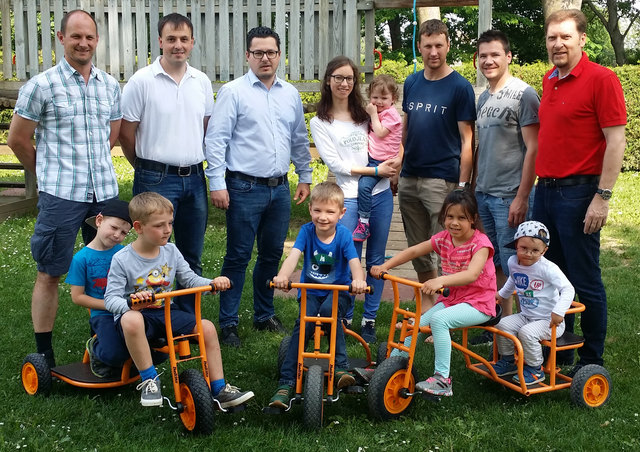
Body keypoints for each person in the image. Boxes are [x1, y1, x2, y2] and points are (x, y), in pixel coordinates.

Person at [7, 10, 122, 368]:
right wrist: (47, 173)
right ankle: (44, 352)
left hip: (103, 192)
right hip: (61, 195)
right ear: (61, 38)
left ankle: (105, 343)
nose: (83, 43)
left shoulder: (110, 85)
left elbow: (113, 134)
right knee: (51, 272)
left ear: (97, 40)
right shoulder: (41, 86)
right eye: (76, 37)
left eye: (89, 37)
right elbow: (18, 139)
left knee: (107, 269)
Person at [205, 26, 313, 347]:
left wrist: (305, 175)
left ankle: (264, 314)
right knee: (237, 256)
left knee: (270, 255)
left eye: (271, 52)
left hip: (279, 189)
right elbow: (216, 141)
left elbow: (298, 138)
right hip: (242, 188)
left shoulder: (290, 93)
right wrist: (217, 183)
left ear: (279, 55)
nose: (265, 58)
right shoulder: (233, 92)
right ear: (247, 56)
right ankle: (228, 323)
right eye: (258, 53)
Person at [533, 9, 626, 373]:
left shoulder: (602, 80)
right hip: (546, 193)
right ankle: (560, 352)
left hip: (579, 192)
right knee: (551, 278)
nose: (558, 43)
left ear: (582, 39)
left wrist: (602, 197)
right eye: (552, 37)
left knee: (584, 278)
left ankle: (590, 360)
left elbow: (615, 140)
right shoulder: (549, 79)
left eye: (565, 36)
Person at [104, 192, 254, 408]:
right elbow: (110, 300)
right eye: (158, 225)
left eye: (170, 223)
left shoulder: (171, 251)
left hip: (166, 311)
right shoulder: (122, 259)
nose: (167, 230)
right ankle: (149, 381)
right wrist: (130, 303)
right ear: (138, 227)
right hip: (138, 315)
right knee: (131, 319)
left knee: (208, 328)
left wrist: (212, 283)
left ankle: (219, 388)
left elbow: (190, 279)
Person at [119, 13, 213, 315]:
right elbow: (126, 134)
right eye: (171, 39)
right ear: (160, 41)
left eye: (184, 39)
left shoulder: (201, 81)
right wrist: (145, 168)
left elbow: (206, 129)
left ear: (192, 42)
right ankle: (149, 318)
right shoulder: (141, 81)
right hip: (155, 176)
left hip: (195, 178)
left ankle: (185, 320)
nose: (177, 45)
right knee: (152, 252)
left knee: (191, 254)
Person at [369, 189, 496, 397]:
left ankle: (443, 380)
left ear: (473, 219)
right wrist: (386, 265)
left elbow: (472, 275)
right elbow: (413, 251)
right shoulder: (444, 238)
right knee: (416, 324)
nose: (454, 223)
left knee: (439, 320)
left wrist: (440, 280)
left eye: (461, 218)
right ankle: (391, 366)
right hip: (453, 300)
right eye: (450, 217)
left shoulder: (480, 244)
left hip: (478, 303)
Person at [309, 56, 397, 344]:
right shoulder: (321, 121)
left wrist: (393, 166)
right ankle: (344, 317)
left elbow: (395, 137)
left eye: (349, 78)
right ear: (328, 81)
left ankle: (369, 319)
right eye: (338, 78)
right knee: (348, 260)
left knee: (375, 260)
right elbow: (335, 164)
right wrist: (375, 170)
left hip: (381, 194)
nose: (344, 83)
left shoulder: (366, 115)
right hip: (347, 198)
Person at [399, 19, 476, 310]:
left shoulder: (460, 87)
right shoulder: (412, 82)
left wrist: (463, 186)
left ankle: (451, 311)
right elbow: (407, 129)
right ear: (419, 46)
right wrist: (400, 162)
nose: (433, 51)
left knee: (447, 248)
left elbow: (467, 140)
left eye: (439, 45)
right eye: (428, 45)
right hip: (409, 178)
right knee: (418, 248)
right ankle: (428, 311)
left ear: (447, 46)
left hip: (441, 180)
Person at [268, 182, 367, 408]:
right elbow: (293, 255)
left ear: (341, 214)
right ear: (310, 208)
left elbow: (354, 261)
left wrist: (358, 280)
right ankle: (286, 382)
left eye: (330, 212)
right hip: (310, 290)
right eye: (318, 210)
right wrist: (282, 276)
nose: (323, 217)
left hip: (338, 291)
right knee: (304, 325)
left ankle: (341, 367)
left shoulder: (343, 235)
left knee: (329, 315)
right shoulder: (306, 231)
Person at [470, 29, 540, 345]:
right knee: (496, 265)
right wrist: (472, 191)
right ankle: (501, 332)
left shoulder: (524, 94)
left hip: (509, 195)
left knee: (519, 267)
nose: (488, 61)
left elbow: (534, 148)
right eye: (483, 55)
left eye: (495, 54)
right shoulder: (483, 96)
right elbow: (481, 148)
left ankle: (526, 337)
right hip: (484, 194)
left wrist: (522, 196)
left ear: (508, 57)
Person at [491, 221, 575, 385]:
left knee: (527, 333)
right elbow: (513, 281)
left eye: (535, 250)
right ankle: (508, 361)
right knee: (502, 325)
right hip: (527, 315)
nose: (528, 254)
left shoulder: (547, 268)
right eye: (524, 248)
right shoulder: (513, 262)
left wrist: (559, 312)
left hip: (549, 322)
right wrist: (501, 295)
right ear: (516, 245)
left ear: (544, 251)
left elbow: (568, 289)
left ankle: (536, 369)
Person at [65, 199, 133, 378]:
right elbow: (77, 297)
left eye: (124, 232)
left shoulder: (125, 253)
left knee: (159, 350)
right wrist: (110, 305)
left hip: (130, 311)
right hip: (103, 315)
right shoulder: (81, 259)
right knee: (114, 354)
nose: (118, 235)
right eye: (114, 227)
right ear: (99, 221)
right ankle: (96, 349)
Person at [353, 74, 403, 242]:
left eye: (384, 98)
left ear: (393, 99)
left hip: (383, 162)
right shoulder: (379, 111)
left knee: (364, 186)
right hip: (373, 157)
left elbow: (380, 133)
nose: (379, 102)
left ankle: (364, 222)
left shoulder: (392, 115)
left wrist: (373, 114)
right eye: (375, 97)